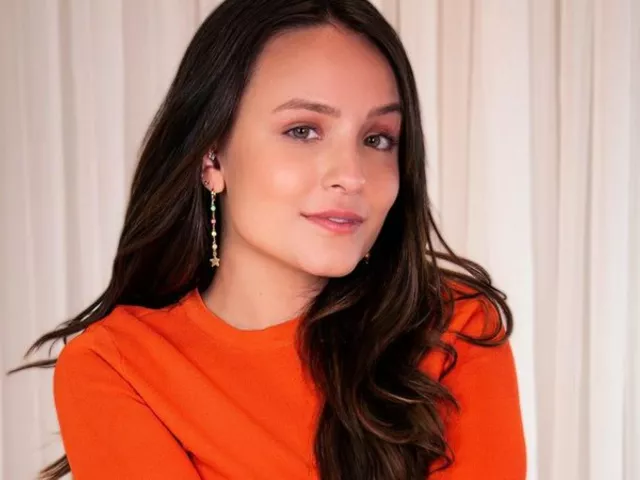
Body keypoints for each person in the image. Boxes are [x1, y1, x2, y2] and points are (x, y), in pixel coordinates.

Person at [10, 0, 526, 478]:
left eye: (377, 139)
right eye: (303, 130)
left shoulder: (455, 328)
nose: (352, 175)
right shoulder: (118, 366)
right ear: (212, 157)